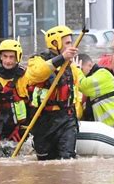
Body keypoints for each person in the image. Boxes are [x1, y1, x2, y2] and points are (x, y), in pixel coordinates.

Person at [26, 25, 80, 160]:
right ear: (55, 43)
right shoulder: (37, 60)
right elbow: (37, 74)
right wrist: (61, 58)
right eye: (67, 43)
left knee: (67, 159)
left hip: (66, 119)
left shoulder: (71, 66)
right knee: (45, 161)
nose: (71, 46)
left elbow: (76, 94)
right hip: (43, 120)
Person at [76, 54, 114, 134]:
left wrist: (77, 70)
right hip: (109, 130)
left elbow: (83, 86)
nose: (81, 74)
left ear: (90, 65)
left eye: (82, 69)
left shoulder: (102, 74)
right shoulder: (93, 85)